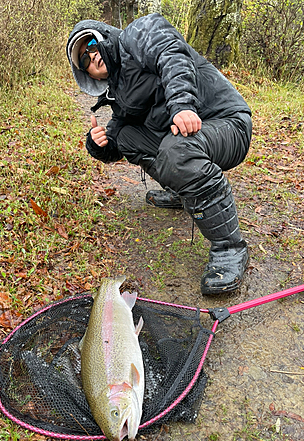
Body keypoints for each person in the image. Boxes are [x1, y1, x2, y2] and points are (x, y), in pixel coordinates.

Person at [66, 13, 252, 295]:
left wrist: (182, 106)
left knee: (177, 152)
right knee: (128, 137)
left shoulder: (138, 33)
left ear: (101, 35)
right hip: (194, 134)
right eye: (83, 60)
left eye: (90, 44)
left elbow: (172, 55)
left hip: (228, 124)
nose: (92, 57)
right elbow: (121, 135)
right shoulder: (118, 89)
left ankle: (230, 247)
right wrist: (99, 144)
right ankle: (183, 191)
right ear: (85, 73)